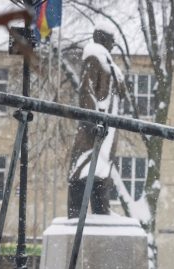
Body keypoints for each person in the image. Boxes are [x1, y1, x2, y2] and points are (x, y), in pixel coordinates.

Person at [67, 23, 126, 219]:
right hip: (94, 130)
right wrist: (92, 121)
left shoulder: (110, 64)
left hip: (107, 132)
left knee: (100, 175)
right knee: (82, 172)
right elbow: (87, 90)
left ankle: (101, 216)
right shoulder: (95, 57)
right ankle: (76, 218)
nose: (114, 43)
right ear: (102, 39)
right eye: (111, 39)